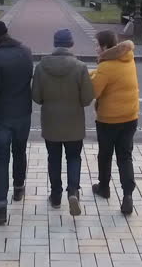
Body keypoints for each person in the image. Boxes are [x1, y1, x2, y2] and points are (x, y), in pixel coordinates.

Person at [32, 29, 94, 216]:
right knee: (74, 157)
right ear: (71, 44)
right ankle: (73, 191)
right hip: (74, 122)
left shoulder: (42, 66)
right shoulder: (80, 67)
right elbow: (86, 99)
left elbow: (36, 96)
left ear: (54, 43)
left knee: (54, 158)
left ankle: (56, 195)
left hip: (51, 121)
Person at [0, 20, 34, 225]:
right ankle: (19, 187)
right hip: (23, 112)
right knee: (19, 151)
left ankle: (0, 206)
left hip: (2, 115)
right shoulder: (26, 52)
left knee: (1, 158)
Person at [90, 30, 140, 215]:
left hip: (109, 120)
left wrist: (90, 77)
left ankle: (104, 187)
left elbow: (94, 91)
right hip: (130, 117)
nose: (96, 48)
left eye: (97, 45)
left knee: (105, 155)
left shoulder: (106, 66)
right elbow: (113, 77)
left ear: (104, 46)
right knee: (125, 156)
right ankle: (127, 195)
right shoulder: (128, 59)